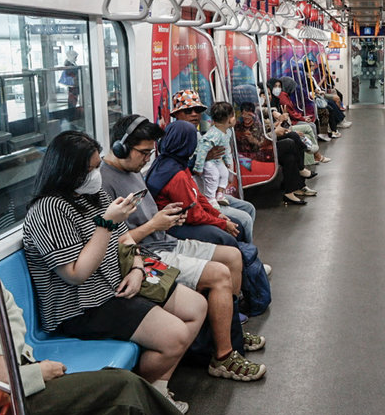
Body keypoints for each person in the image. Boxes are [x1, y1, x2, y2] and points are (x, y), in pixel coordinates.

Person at [0, 169, 235, 415]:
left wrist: (134, 267)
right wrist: (31, 373)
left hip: (21, 367)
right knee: (122, 389)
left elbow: (7, 309)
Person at [22, 131, 207, 396]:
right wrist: (106, 224)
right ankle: (145, 396)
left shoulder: (92, 195)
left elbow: (126, 238)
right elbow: (77, 274)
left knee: (197, 306)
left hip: (116, 285)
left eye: (97, 166)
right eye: (90, 169)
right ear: (68, 170)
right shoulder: (48, 210)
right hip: (82, 306)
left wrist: (136, 268)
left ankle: (159, 387)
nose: (96, 174)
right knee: (175, 335)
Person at [101, 115, 267, 379]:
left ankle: (230, 330)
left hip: (166, 241)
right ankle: (223, 356)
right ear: (121, 147)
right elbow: (115, 241)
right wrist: (154, 224)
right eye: (143, 153)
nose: (147, 160)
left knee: (232, 256)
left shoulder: (132, 171)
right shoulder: (103, 183)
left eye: (150, 153)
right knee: (220, 274)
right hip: (147, 254)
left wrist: (163, 216)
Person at [169, 89, 256, 244]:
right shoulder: (173, 137)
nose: (194, 114)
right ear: (177, 114)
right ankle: (244, 257)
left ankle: (247, 252)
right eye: (189, 111)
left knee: (249, 208)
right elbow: (176, 171)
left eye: (198, 110)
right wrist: (201, 160)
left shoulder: (199, 134)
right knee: (245, 219)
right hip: (196, 198)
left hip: (207, 190)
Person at [235, 102, 315, 205]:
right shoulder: (242, 128)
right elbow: (257, 144)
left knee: (290, 153)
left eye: (249, 114)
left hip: (265, 146)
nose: (246, 117)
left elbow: (263, 128)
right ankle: (301, 168)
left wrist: (275, 123)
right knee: (289, 143)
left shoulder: (256, 121)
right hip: (256, 153)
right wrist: (275, 133)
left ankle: (290, 192)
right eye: (244, 114)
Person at [193, 101, 235, 208]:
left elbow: (225, 148)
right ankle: (209, 198)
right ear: (228, 118)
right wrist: (198, 167)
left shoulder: (227, 132)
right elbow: (202, 150)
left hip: (216, 160)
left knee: (224, 173)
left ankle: (220, 194)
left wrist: (227, 162)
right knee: (213, 175)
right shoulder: (213, 134)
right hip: (206, 161)